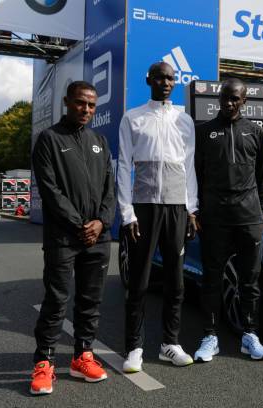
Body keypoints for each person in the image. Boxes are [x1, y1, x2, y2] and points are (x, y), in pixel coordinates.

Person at [29, 81, 116, 395]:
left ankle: (82, 356)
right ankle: (44, 363)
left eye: (91, 105)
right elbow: (50, 191)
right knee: (56, 301)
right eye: (81, 103)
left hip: (98, 238)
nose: (87, 110)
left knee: (90, 302)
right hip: (63, 238)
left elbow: (110, 189)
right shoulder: (48, 140)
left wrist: (102, 222)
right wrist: (81, 224)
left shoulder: (100, 141)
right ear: (67, 102)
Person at [118, 62, 198, 372]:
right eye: (161, 77)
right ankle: (134, 347)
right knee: (138, 281)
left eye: (171, 79)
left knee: (176, 282)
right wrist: (127, 214)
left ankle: (170, 343)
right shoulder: (133, 118)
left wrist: (191, 209)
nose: (166, 82)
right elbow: (124, 166)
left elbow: (188, 167)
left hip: (177, 208)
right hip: (144, 209)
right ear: (148, 79)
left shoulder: (184, 120)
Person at [193, 78, 263, 362]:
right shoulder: (204, 132)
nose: (228, 103)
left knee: (249, 280)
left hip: (248, 218)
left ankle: (250, 336)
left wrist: (262, 214)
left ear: (244, 101)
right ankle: (210, 336)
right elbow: (196, 176)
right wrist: (197, 211)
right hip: (215, 218)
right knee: (211, 279)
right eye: (225, 97)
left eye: (234, 99)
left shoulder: (255, 131)